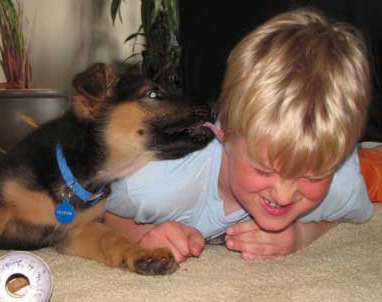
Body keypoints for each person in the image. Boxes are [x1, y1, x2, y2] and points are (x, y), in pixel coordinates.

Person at [104, 8, 378, 263]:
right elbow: (93, 212)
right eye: (263, 169)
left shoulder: (341, 180)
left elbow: (349, 210)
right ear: (224, 133)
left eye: (312, 176)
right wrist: (139, 236)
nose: (283, 196)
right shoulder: (150, 182)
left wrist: (301, 235)